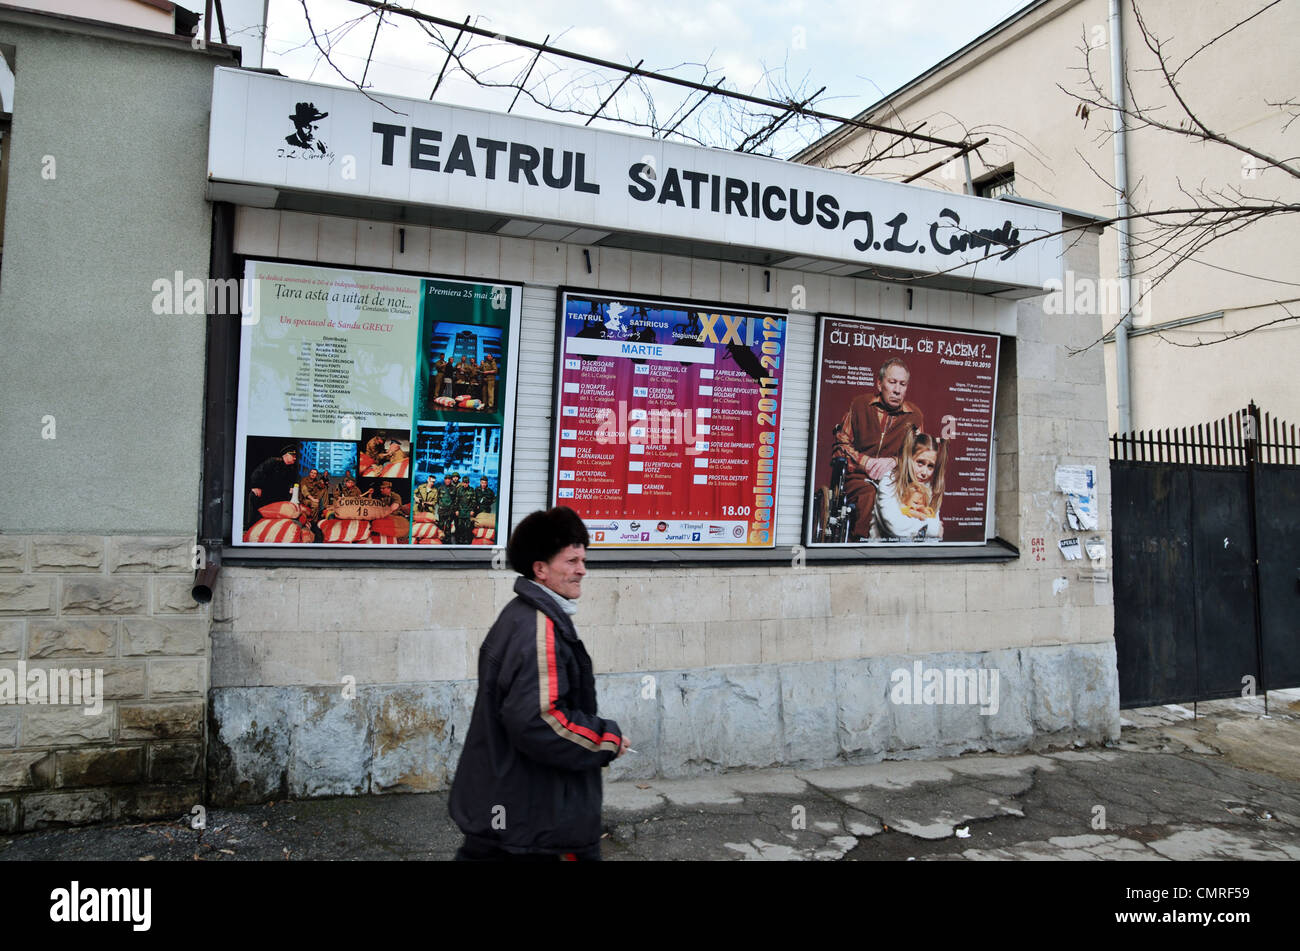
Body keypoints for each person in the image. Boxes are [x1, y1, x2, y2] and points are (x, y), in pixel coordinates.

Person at [448, 506, 628, 860]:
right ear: (540, 569)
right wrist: (607, 738)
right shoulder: (538, 627)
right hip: (534, 817)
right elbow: (540, 720)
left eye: (583, 559)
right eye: (572, 560)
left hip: (514, 808)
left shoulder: (526, 615)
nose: (582, 570)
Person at [831, 357, 925, 540]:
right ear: (880, 383)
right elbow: (841, 444)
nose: (897, 390)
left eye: (902, 384)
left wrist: (894, 462)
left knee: (911, 501)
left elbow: (919, 456)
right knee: (869, 497)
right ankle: (860, 545)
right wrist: (866, 462)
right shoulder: (859, 405)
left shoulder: (915, 417)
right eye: (892, 382)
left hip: (895, 481)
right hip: (860, 477)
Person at [872, 428, 946, 541]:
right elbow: (894, 525)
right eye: (920, 463)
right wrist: (931, 529)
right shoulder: (890, 481)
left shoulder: (928, 488)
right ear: (908, 457)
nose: (924, 473)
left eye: (930, 466)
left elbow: (934, 525)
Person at [247, 444, 298, 528]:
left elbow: (292, 481)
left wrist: (291, 487)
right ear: (286, 455)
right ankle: (252, 526)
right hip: (265, 493)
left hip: (279, 495)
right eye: (293, 456)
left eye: (295, 456)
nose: (295, 458)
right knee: (254, 496)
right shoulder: (273, 461)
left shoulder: (291, 468)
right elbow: (258, 472)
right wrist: (256, 486)